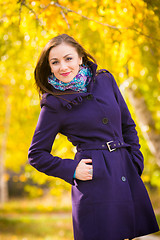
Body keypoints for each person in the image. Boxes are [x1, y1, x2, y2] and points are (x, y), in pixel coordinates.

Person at [28, 34, 159, 240]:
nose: (63, 67)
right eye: (55, 62)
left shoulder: (105, 80)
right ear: (50, 67)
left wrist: (135, 161)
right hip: (94, 179)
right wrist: (72, 169)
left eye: (68, 58)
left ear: (80, 57)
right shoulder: (54, 104)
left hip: (124, 170)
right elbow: (36, 154)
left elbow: (128, 124)